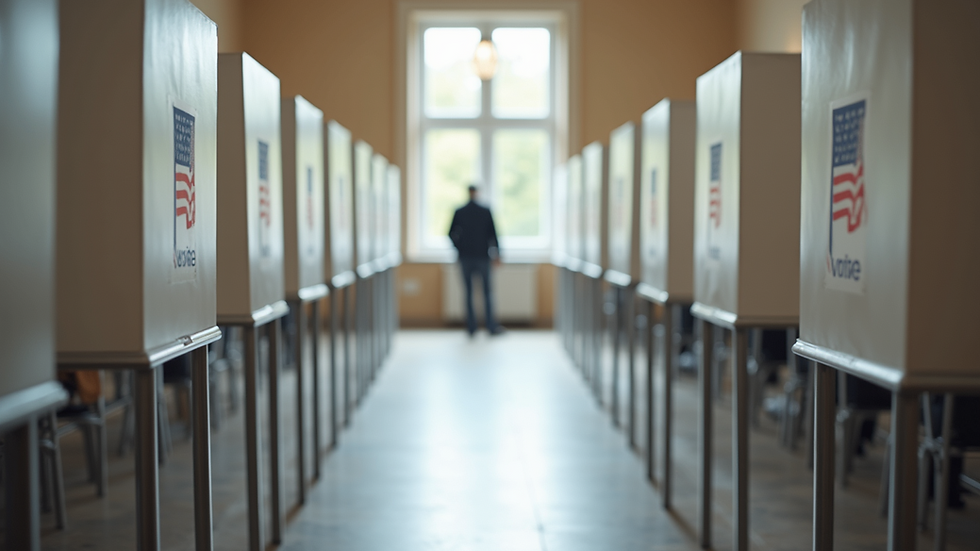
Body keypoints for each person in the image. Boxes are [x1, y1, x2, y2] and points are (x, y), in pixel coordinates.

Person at [448, 184, 505, 336]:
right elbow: (493, 234)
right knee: (482, 292)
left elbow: (451, 234)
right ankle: (488, 326)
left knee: (473, 292)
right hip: (479, 257)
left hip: (471, 257)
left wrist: (459, 248)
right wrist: (497, 253)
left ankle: (473, 328)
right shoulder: (478, 211)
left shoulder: (464, 211)